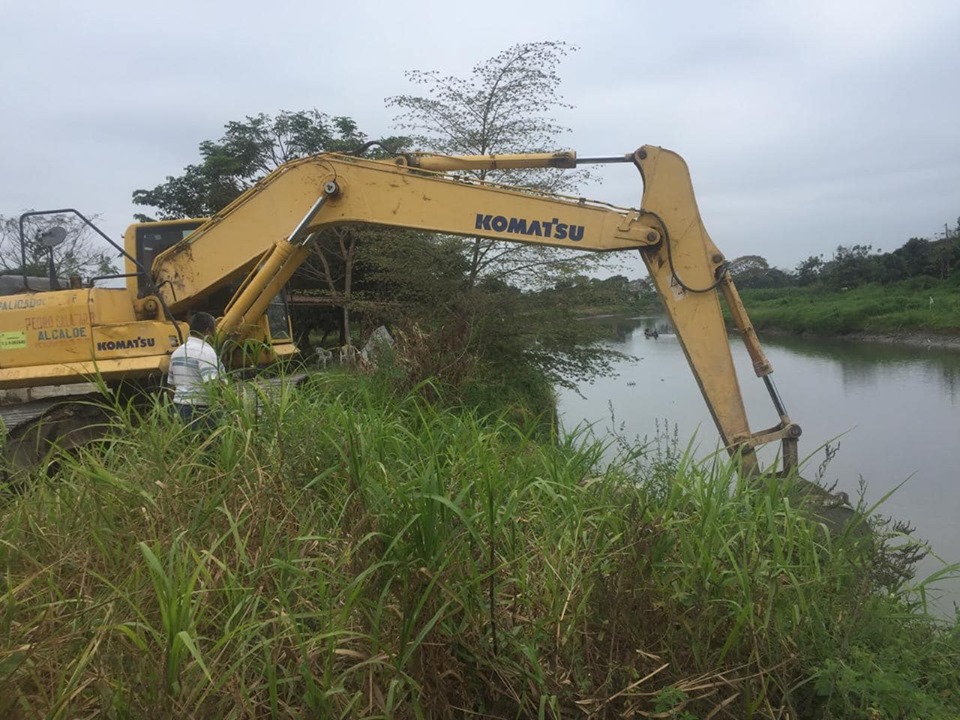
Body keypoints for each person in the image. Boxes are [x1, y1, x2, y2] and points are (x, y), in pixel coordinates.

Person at [167, 312, 226, 429]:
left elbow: (171, 386)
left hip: (180, 406)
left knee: (188, 440)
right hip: (201, 409)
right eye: (214, 330)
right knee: (208, 440)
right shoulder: (206, 351)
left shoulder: (177, 352)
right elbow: (212, 384)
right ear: (208, 331)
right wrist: (226, 403)